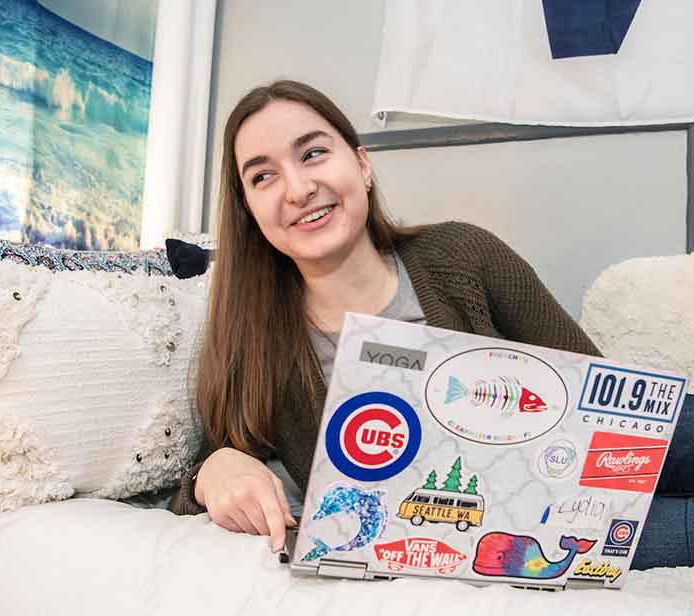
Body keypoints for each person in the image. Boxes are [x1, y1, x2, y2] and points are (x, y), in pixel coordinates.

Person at [169, 80, 602, 551]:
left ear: (362, 164)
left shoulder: (463, 256)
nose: (298, 189)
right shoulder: (253, 338)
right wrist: (212, 472)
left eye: (313, 153)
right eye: (263, 176)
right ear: (249, 211)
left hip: (553, 509)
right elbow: (196, 489)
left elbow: (608, 403)